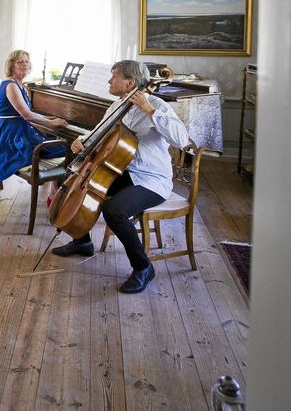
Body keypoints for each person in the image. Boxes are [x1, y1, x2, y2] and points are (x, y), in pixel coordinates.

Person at [51, 59, 189, 294]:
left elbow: (182, 139)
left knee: (115, 211)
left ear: (130, 82)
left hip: (150, 178)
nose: (109, 80)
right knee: (78, 183)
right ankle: (82, 241)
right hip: (120, 170)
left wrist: (149, 110)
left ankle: (143, 267)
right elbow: (100, 132)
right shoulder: (117, 106)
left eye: (114, 75)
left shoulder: (156, 104)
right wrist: (82, 141)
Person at [0, 50, 68, 192]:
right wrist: (52, 123)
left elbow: (26, 114)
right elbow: (27, 115)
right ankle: (55, 192)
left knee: (60, 149)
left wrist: (48, 118)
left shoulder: (21, 85)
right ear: (12, 65)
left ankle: (54, 188)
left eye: (26, 61)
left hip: (19, 130)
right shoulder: (10, 85)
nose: (24, 64)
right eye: (20, 61)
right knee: (64, 149)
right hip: (9, 136)